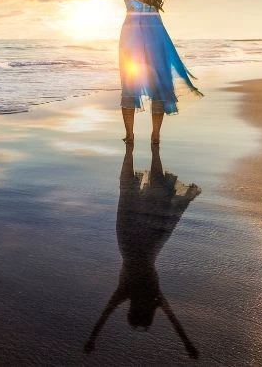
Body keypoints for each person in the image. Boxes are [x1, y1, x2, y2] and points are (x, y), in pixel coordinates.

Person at [87, 0, 210, 145]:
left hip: (130, 35)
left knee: (129, 84)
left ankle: (130, 135)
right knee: (159, 84)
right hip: (156, 34)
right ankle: (155, 135)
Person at [84, 142, 201, 359]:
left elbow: (174, 321)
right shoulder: (133, 294)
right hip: (130, 244)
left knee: (142, 196)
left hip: (144, 245)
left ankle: (139, 149)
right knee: (128, 193)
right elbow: (106, 315)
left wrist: (187, 343)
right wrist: (92, 338)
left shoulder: (144, 295)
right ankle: (135, 149)